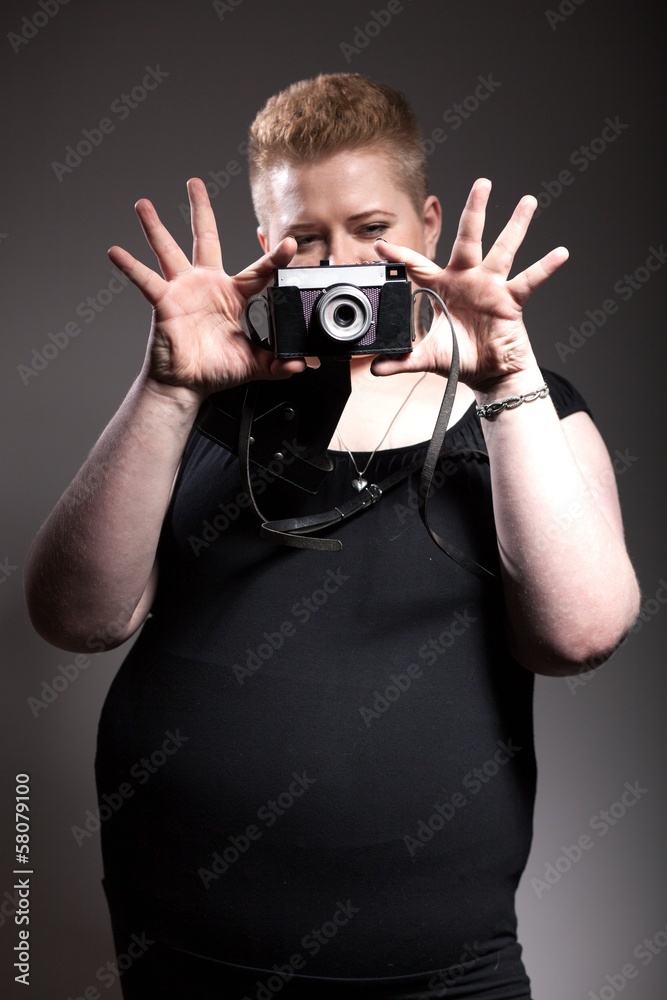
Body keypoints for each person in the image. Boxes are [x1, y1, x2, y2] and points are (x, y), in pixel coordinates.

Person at [25, 74, 639, 999]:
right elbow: (76, 619)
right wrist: (168, 389)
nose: (340, 262)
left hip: (438, 972)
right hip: (185, 955)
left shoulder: (523, 410)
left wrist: (505, 378)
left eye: (373, 229)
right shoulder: (200, 401)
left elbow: (578, 634)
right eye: (302, 238)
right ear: (266, 243)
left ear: (428, 222)